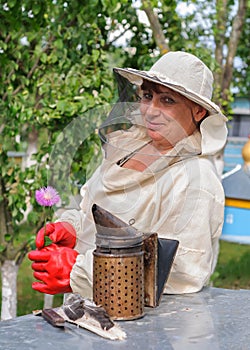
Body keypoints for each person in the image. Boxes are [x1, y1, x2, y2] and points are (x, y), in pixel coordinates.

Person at [28, 51, 228, 297]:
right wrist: (72, 229)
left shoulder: (196, 179)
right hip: (87, 313)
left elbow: (179, 273)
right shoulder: (129, 147)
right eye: (147, 96)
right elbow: (93, 211)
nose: (151, 110)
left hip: (141, 328)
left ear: (198, 112)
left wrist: (80, 273)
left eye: (167, 101)